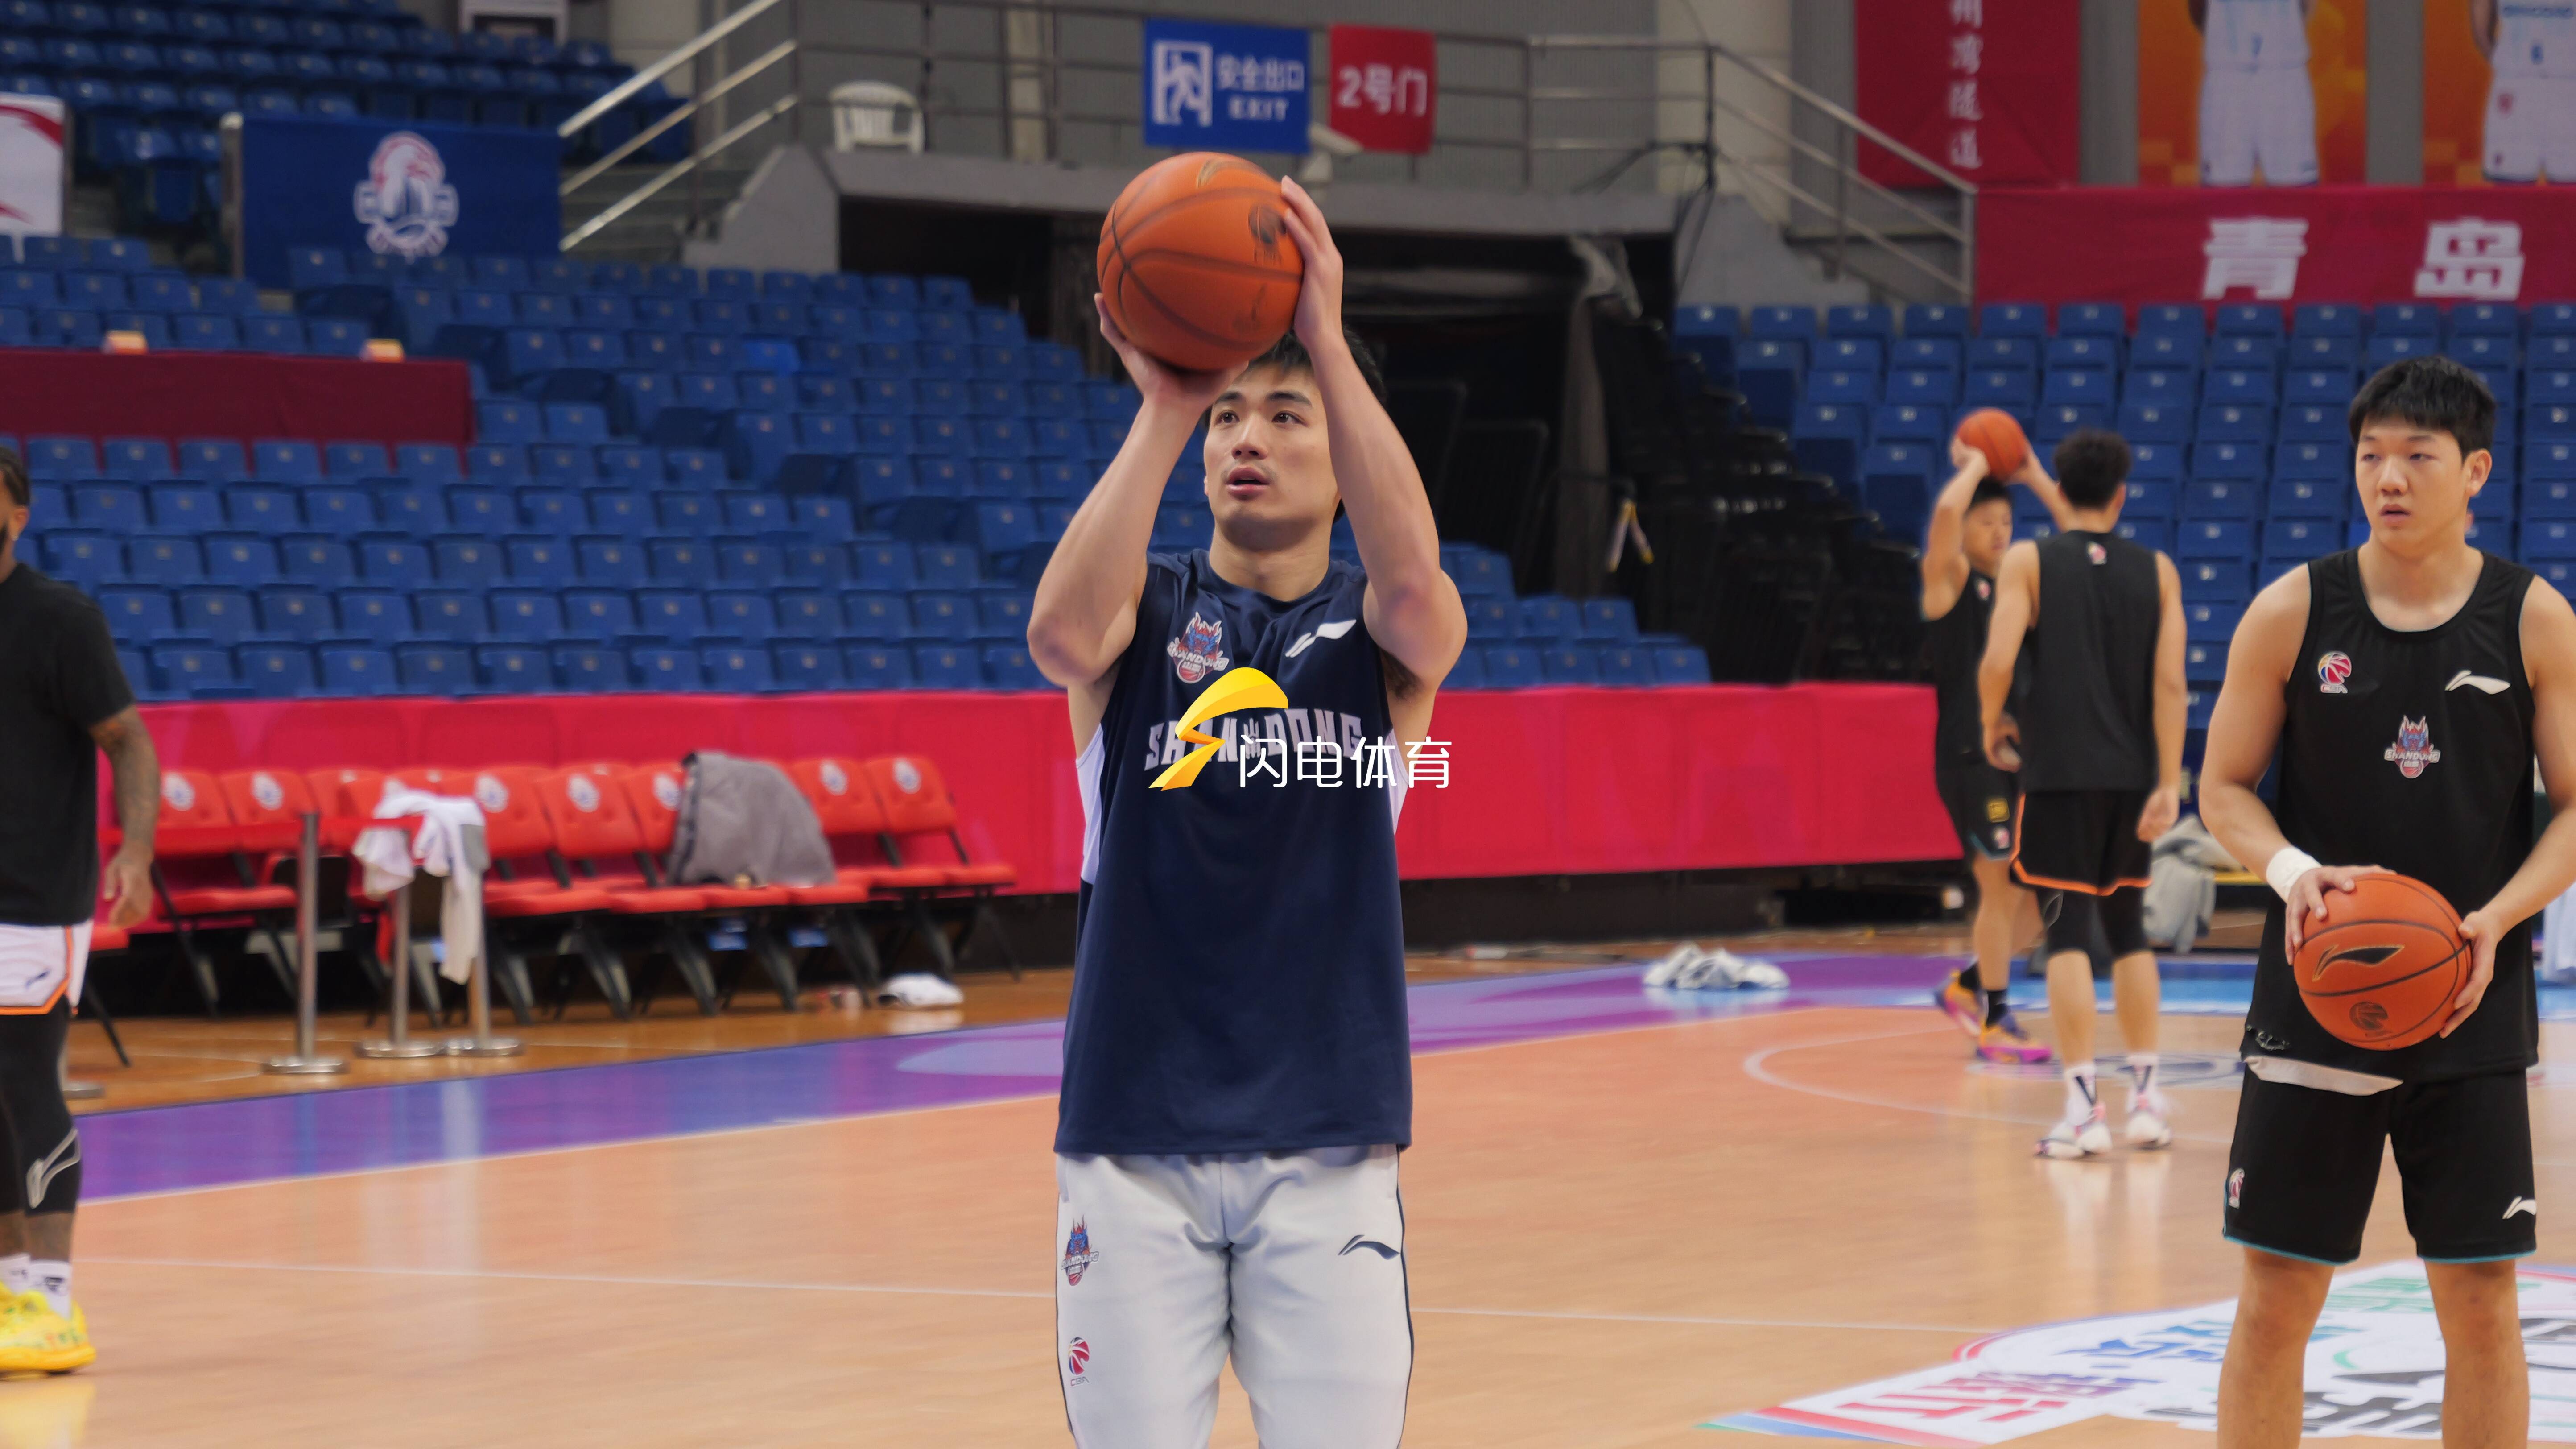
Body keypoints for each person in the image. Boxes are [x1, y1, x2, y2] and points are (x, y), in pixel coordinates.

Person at [1025, 176, 1465, 1446]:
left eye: (1284, 413)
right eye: (1228, 415)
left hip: (1328, 1147)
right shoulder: (1143, 613)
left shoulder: (1378, 642)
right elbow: (1057, 639)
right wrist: (1168, 401)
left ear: (1343, 453)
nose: (1245, 438)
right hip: (1130, 1144)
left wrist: (1323, 333)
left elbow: (1418, 587)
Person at [2201, 356, 2574, 1447]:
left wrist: (2496, 919)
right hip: (2315, 1001)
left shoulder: (2533, 619)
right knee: (2277, 1299)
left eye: (2417, 456)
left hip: (2468, 1004)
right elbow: (2222, 786)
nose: (2389, 478)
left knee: (2480, 1302)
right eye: (2370, 456)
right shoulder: (2291, 610)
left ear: (2475, 472)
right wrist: (2290, 873)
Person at [1977, 428, 2187, 1159]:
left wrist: (1990, 720)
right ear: (2121, 496)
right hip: (2132, 779)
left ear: (2060, 493)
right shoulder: (2158, 569)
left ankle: (2083, 1109)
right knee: (2129, 932)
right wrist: (2169, 780)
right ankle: (2147, 1100)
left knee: (2068, 934)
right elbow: (2171, 684)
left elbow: (1998, 658)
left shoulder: (2028, 561)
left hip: (2061, 774)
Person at [0, 445, 158, 1373]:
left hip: (33, 900)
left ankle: (53, 1300)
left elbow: (127, 740)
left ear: (17, 515)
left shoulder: (59, 619)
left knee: (26, 1080)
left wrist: (135, 850)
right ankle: (12, 1284)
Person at [1924, 439, 2066, 1065]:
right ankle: (1996, 1021)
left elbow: (2082, 540)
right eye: (1986, 522)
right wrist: (1980, 465)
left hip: (2021, 756)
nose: (1999, 531)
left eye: (2006, 521)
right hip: (1969, 754)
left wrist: (2032, 472)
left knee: (2039, 898)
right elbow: (1943, 519)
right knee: (1997, 885)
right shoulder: (1951, 585)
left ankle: (1968, 984)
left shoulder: (2021, 585)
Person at [2191, 0, 2320, 187]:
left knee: (2295, 190)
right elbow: (2197, 7)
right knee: (2222, 192)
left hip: (2284, 67)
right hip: (2227, 70)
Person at [2475, 0, 2576, 183]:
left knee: (2570, 191)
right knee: (2510, 187)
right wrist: (2506, 62)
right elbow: (2481, 21)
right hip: (2516, 83)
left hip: (2568, 83)